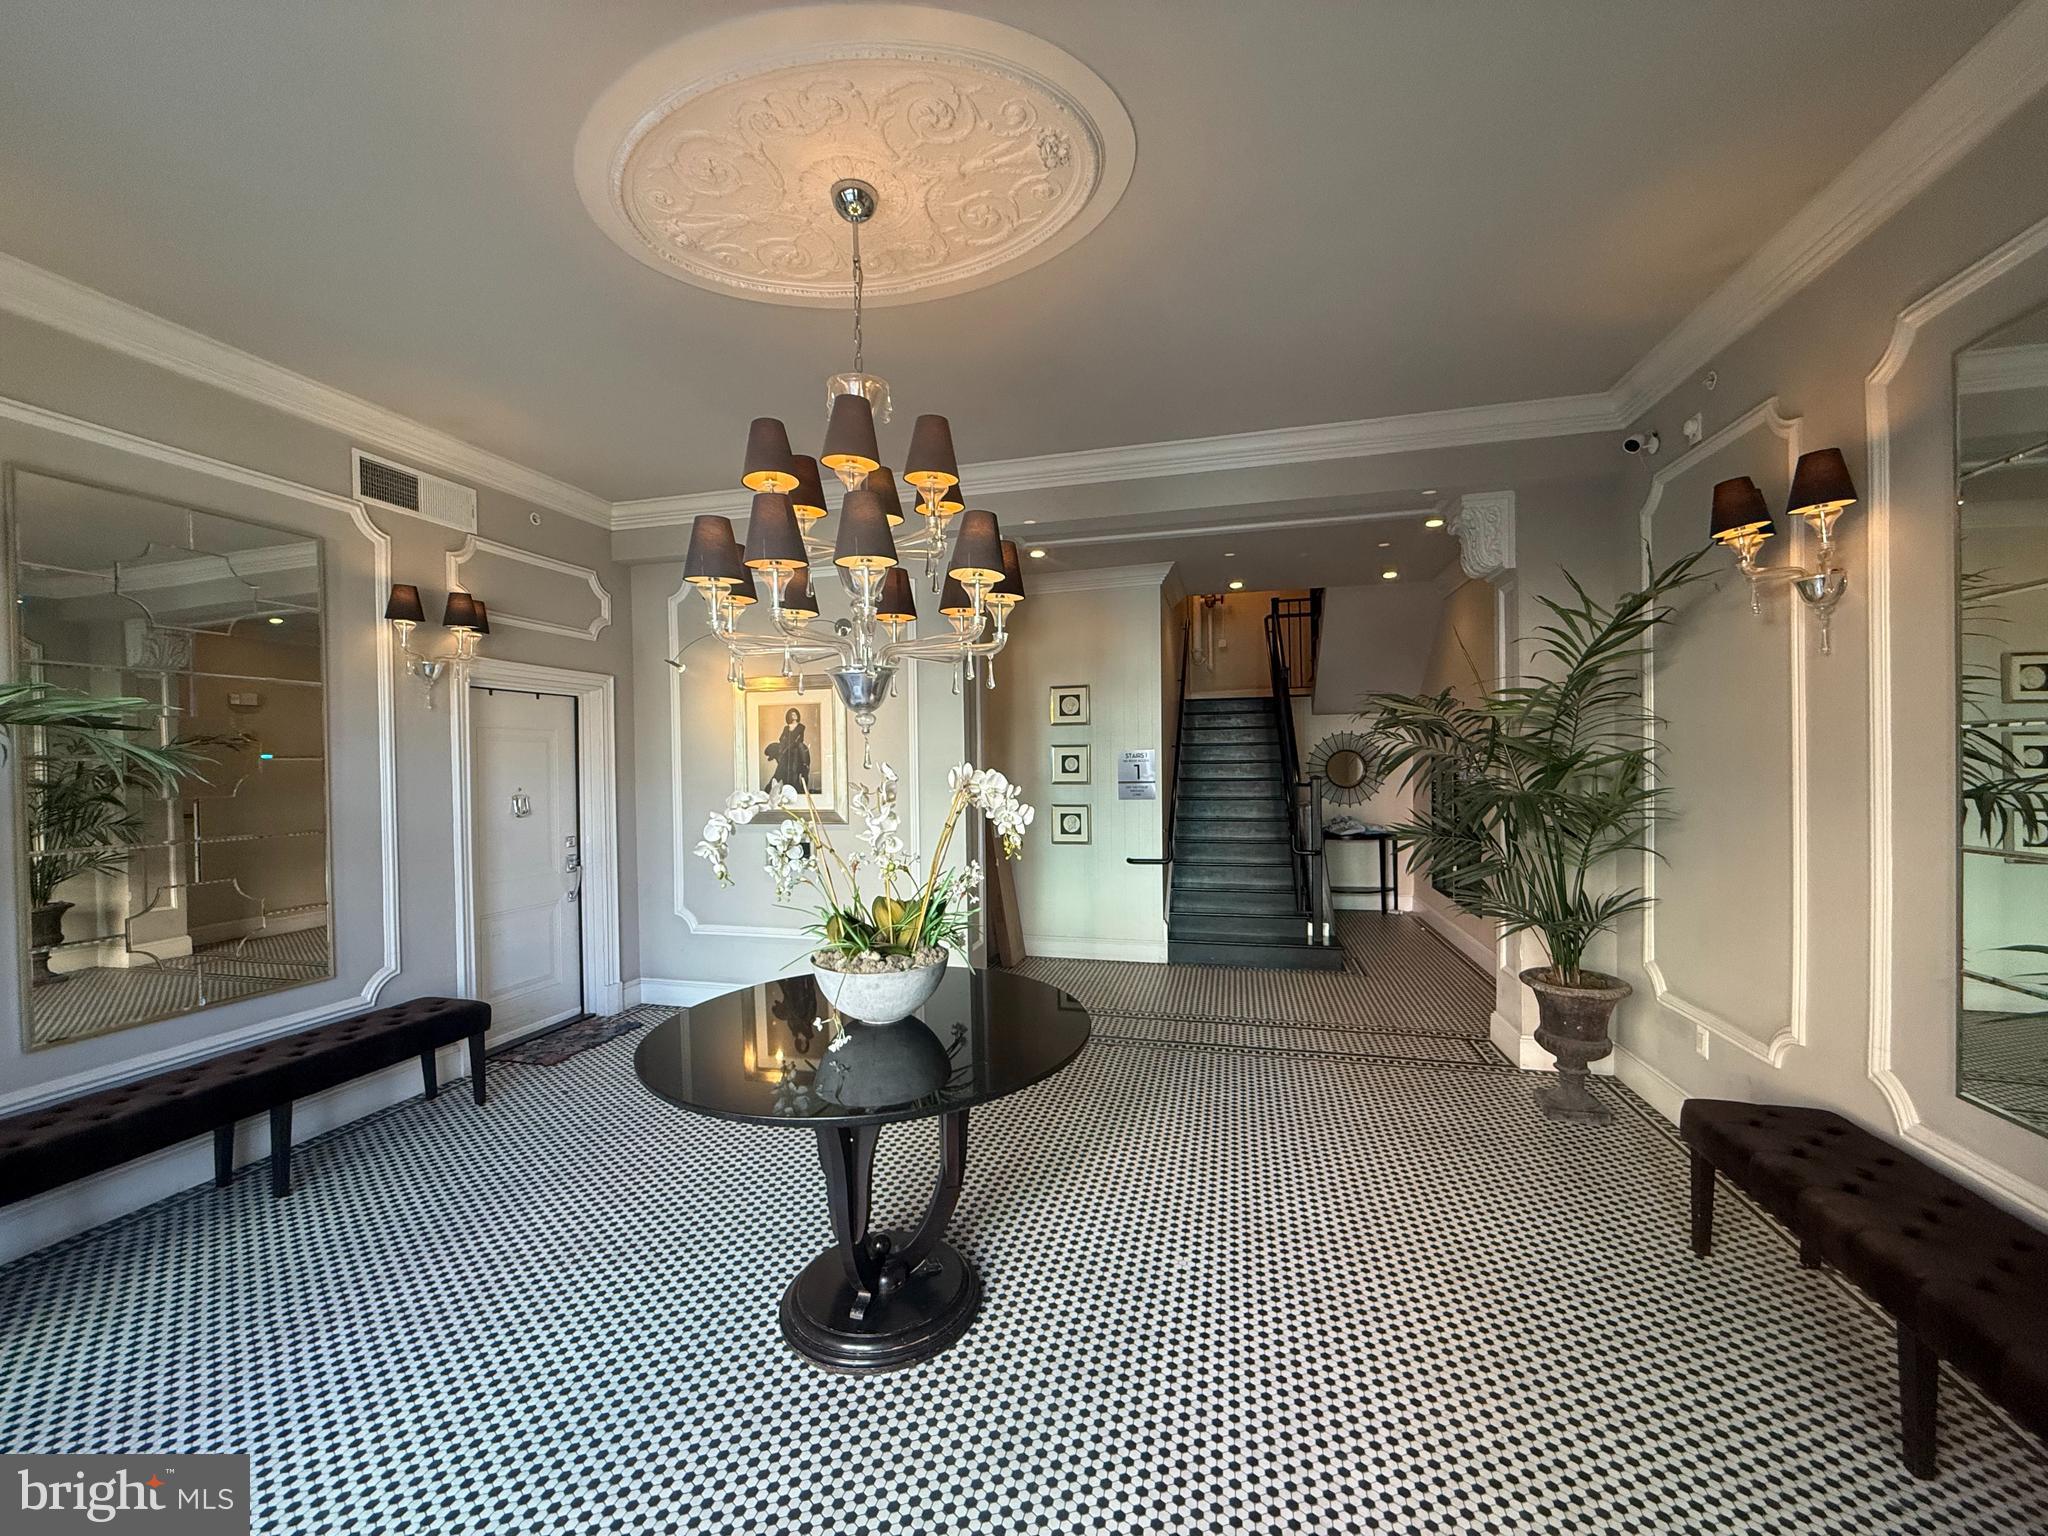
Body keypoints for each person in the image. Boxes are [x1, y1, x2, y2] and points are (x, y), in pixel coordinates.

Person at [763, 706, 813, 795]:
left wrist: (792, 744)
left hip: (795, 749)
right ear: (789, 716)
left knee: (797, 759)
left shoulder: (801, 727)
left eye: (795, 714)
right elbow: (782, 737)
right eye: (792, 714)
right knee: (781, 768)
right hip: (787, 748)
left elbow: (800, 738)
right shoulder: (786, 728)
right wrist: (784, 743)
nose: (794, 716)